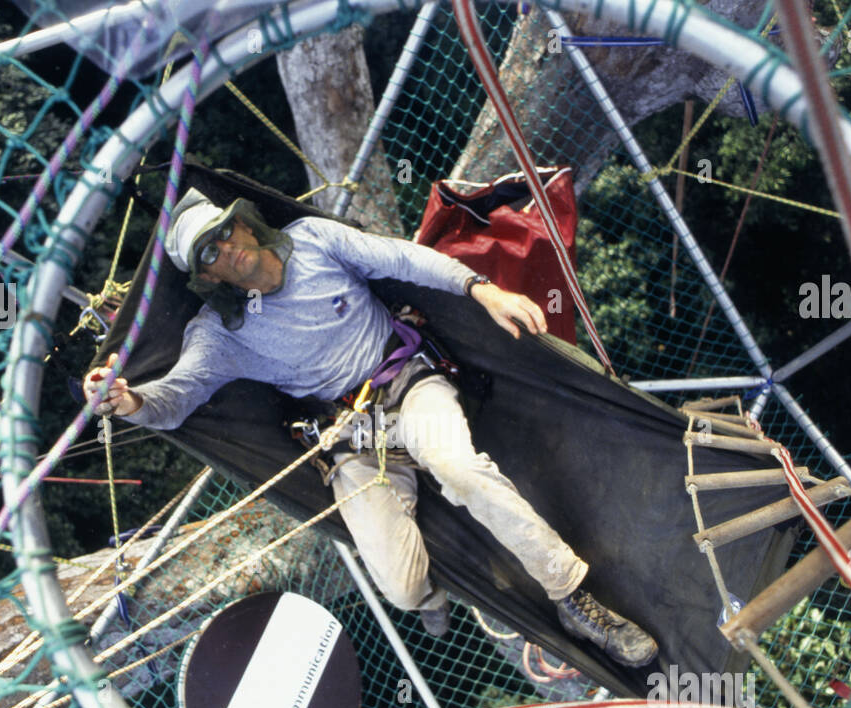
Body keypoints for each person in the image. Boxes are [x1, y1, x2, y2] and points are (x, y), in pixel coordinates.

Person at [84, 190, 657, 667]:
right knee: (404, 591)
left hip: (408, 384)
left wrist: (483, 290)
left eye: (224, 231)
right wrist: (127, 400)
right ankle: (436, 592)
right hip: (350, 438)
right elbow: (176, 400)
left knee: (460, 470)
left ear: (244, 224)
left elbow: (403, 259)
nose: (226, 249)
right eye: (207, 253)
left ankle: (572, 597)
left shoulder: (312, 239)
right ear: (206, 275)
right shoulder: (221, 332)